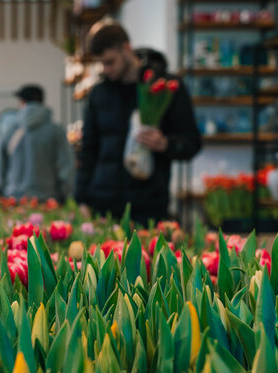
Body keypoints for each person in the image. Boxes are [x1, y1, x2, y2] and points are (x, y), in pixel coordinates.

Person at [75, 21, 201, 224]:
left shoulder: (166, 88)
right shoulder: (99, 94)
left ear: (126, 48)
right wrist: (81, 199)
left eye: (110, 62)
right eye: (102, 63)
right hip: (104, 207)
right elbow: (88, 149)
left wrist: (164, 144)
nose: (106, 69)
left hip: (148, 208)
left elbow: (192, 142)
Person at [0, 84, 74, 201]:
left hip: (14, 199)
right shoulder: (56, 131)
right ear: (42, 101)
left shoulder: (8, 131)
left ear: (22, 102)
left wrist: (6, 190)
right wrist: (62, 194)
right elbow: (66, 165)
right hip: (48, 199)